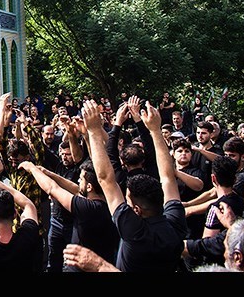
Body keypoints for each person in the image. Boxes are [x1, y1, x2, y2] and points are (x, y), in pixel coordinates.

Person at [82, 96, 187, 272]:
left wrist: (93, 130)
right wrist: (155, 130)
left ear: (136, 210)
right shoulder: (175, 222)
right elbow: (168, 177)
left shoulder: (133, 231)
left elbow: (106, 178)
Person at [24, 160, 120, 271]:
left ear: (89, 187)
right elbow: (76, 189)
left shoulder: (88, 208)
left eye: (81, 179)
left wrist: (32, 168)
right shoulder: (107, 203)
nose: (78, 181)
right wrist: (49, 173)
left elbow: (52, 188)